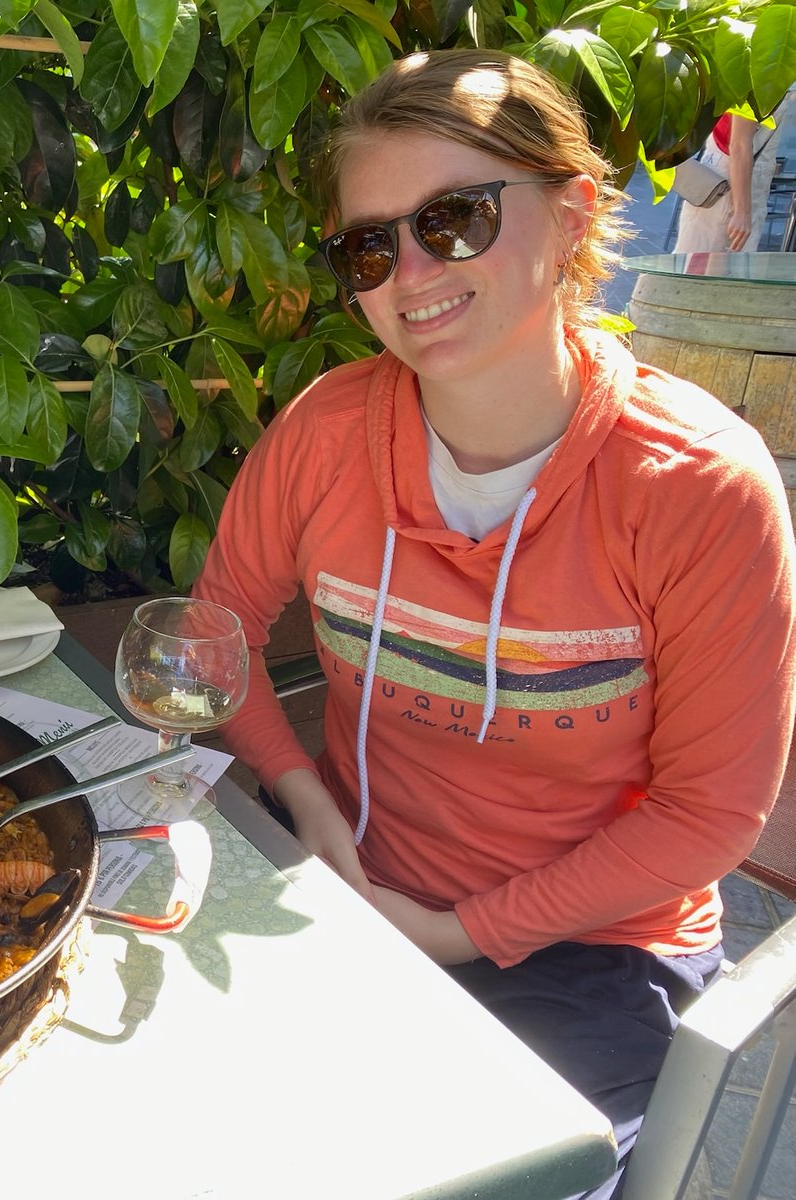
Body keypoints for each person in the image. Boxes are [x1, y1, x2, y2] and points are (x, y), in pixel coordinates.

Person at [194, 49, 796, 1199]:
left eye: (453, 219)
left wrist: (455, 934)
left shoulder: (693, 485)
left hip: (594, 951)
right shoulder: (327, 431)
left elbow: (708, 814)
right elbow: (219, 626)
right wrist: (305, 797)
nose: (410, 273)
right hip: (348, 889)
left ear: (572, 216)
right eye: (369, 246)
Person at [674, 90, 796, 252]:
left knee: (702, 260)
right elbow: (739, 145)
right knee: (705, 261)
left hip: (727, 178)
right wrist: (742, 212)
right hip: (729, 183)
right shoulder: (755, 80)